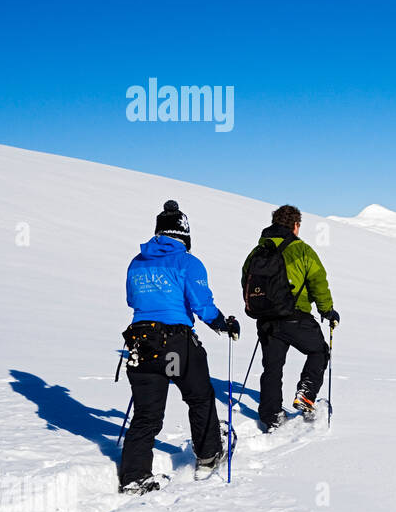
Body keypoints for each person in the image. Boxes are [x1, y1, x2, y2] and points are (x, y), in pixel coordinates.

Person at [121, 200, 240, 494]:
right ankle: (208, 455)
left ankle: (134, 477)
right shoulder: (187, 262)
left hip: (141, 343)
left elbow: (132, 300)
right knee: (198, 396)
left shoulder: (137, 262)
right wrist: (223, 324)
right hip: (175, 345)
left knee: (146, 413)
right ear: (184, 234)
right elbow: (202, 305)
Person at [242, 204, 338, 430]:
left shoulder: (257, 252)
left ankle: (271, 415)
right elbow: (317, 282)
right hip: (295, 317)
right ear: (296, 225)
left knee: (272, 367)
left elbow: (246, 281)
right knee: (319, 351)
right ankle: (306, 393)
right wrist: (327, 310)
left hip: (266, 319)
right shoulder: (302, 250)